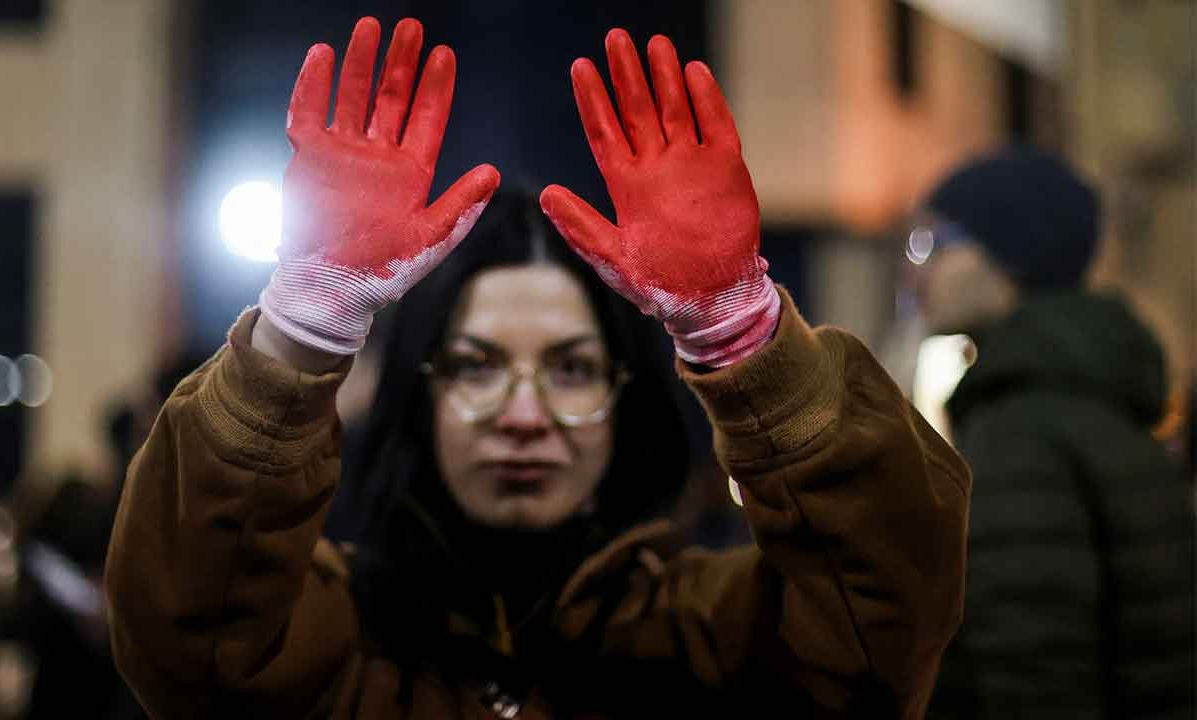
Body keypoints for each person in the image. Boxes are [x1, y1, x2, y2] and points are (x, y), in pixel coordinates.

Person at [106, 17, 969, 718]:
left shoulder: (715, 633)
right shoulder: (328, 637)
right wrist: (304, 326)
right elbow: (189, 642)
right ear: (421, 390)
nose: (525, 414)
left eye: (571, 370)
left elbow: (883, 622)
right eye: (477, 367)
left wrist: (738, 330)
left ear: (626, 394)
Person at [913, 148, 1195, 719]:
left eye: (936, 244)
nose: (917, 270)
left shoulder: (1022, 430)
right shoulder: (1091, 399)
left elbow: (1033, 675)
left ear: (1010, 254)